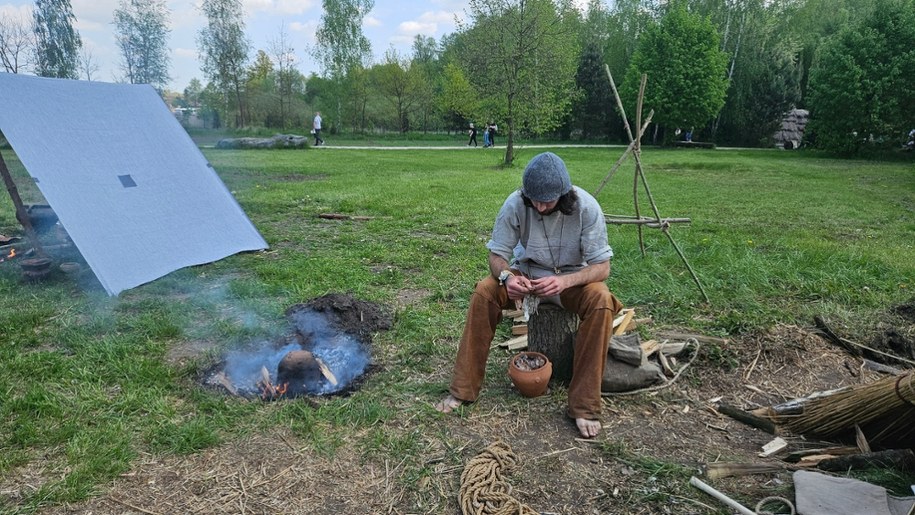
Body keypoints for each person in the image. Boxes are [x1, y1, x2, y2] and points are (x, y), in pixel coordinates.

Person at [434, 152, 623, 438]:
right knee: (485, 290)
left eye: (547, 200)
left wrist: (565, 281)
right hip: (527, 276)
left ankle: (584, 405)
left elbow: (602, 267)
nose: (539, 205)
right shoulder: (515, 203)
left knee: (601, 299)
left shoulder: (586, 207)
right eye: (533, 199)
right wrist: (507, 277)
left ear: (564, 193)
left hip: (571, 281)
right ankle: (463, 389)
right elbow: (497, 255)